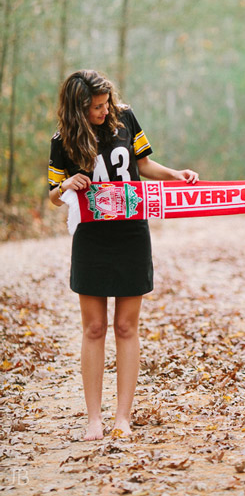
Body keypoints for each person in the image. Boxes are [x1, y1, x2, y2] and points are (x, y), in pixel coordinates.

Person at [48, 70, 198, 441]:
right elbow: (53, 194)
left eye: (105, 104)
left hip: (131, 232)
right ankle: (94, 419)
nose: (103, 111)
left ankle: (122, 418)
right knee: (94, 327)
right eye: (96, 108)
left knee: (127, 327)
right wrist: (66, 184)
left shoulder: (125, 117)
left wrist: (174, 174)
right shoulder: (61, 139)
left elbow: (143, 164)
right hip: (91, 237)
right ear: (78, 109)